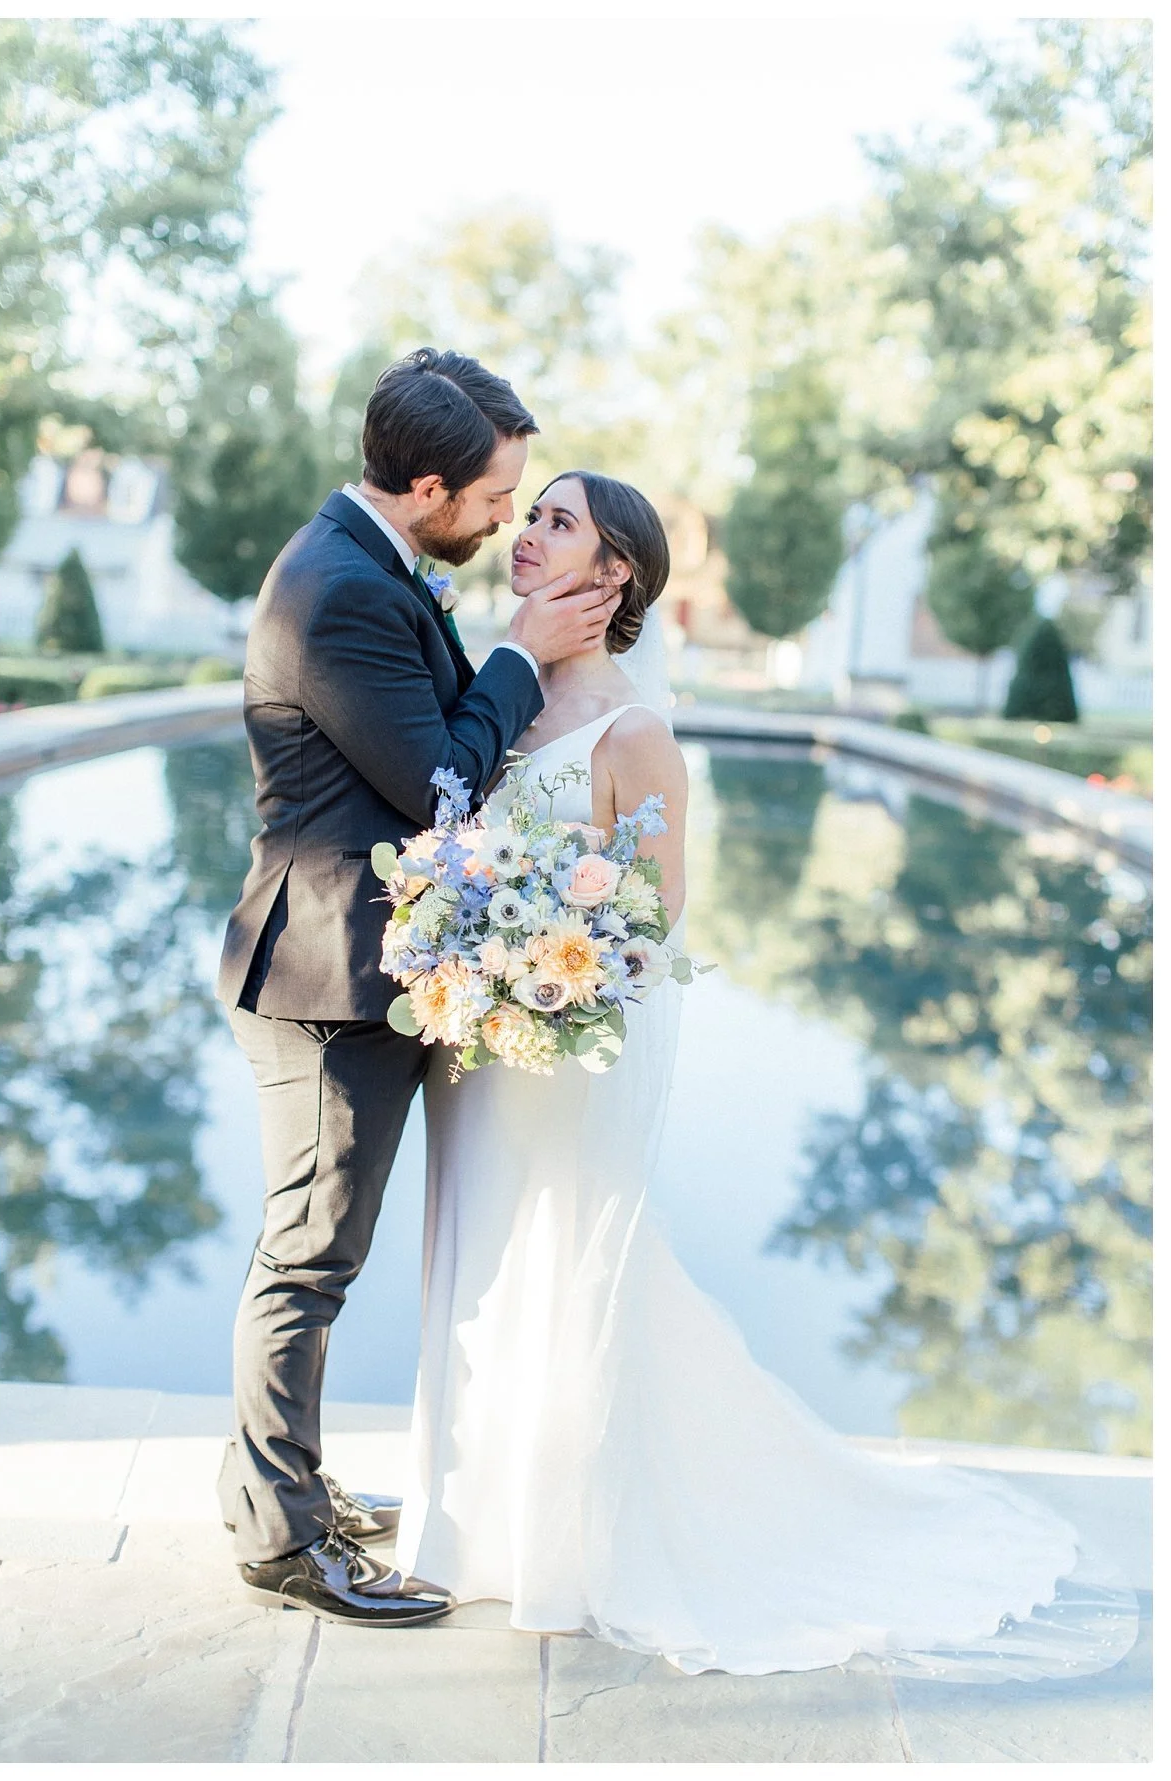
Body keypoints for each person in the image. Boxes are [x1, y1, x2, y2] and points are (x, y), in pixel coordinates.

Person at [394, 469, 1138, 1680]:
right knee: (474, 1253)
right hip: (473, 1048)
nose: (528, 533)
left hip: (560, 1050)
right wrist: (458, 956)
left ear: (615, 571)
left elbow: (657, 918)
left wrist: (535, 968)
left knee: (564, 1258)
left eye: (558, 521)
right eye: (530, 516)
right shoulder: (500, 689)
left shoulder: (635, 732)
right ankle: (470, 1516)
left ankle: (565, 1543)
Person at [214, 350, 621, 1626]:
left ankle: (290, 1491)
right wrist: (518, 655)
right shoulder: (335, 590)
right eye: (499, 496)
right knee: (309, 1254)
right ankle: (280, 1539)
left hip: (368, 960)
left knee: (317, 1246)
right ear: (431, 483)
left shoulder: (374, 562)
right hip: (326, 971)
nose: (508, 518)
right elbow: (437, 776)